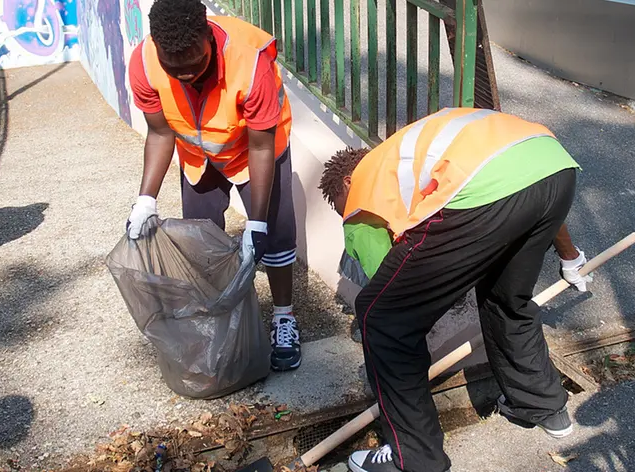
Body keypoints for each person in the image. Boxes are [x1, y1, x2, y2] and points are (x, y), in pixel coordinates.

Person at [318, 108, 592, 472]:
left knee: (381, 318)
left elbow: (387, 287)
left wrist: (389, 326)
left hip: (484, 189)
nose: (348, 217)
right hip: (553, 166)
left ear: (348, 183)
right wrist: (569, 256)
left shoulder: (363, 189)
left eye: (340, 207)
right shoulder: (404, 159)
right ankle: (544, 407)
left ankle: (414, 459)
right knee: (506, 297)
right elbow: (530, 183)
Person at [124, 0, 301, 371]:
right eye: (175, 69)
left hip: (257, 149)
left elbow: (261, 144)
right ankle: (223, 318)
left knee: (276, 236)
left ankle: (284, 317)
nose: (186, 75)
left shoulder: (249, 62)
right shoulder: (144, 63)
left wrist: (256, 222)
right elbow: (159, 133)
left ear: (208, 38)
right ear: (157, 46)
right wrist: (145, 199)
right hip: (197, 153)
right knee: (201, 241)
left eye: (195, 64)